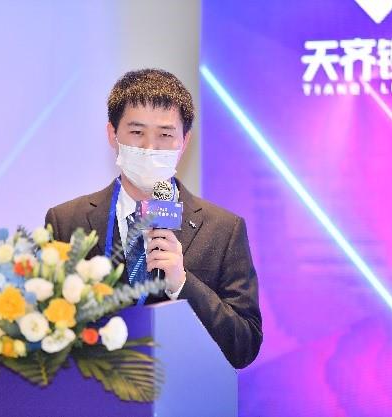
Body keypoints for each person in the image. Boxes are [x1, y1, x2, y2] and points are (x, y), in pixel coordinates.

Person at [45, 69, 262, 369]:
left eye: (165, 135)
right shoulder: (67, 221)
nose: (150, 147)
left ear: (184, 141)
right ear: (112, 134)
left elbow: (244, 346)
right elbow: (47, 331)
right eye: (137, 133)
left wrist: (182, 283)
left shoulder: (224, 230)